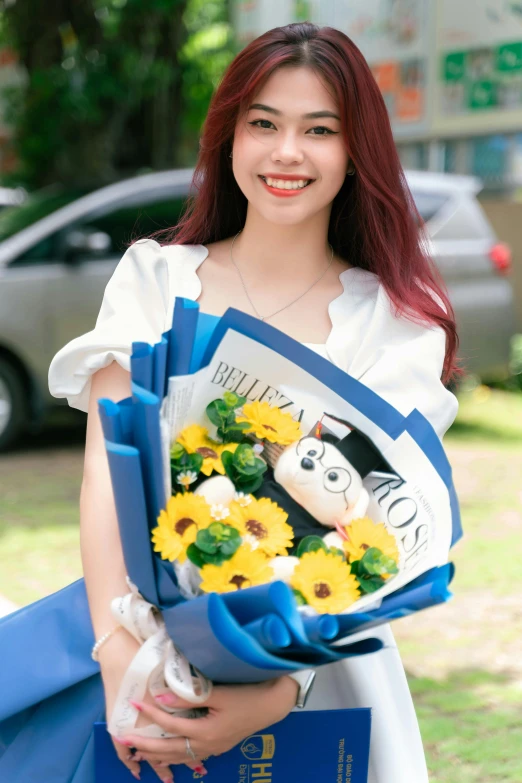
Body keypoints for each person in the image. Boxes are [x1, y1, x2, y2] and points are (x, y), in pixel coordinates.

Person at [2, 22, 460, 783]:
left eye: (320, 130)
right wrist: (120, 657)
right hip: (138, 654)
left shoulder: (394, 322)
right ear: (228, 137)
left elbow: (382, 538)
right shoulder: (154, 279)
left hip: (323, 684)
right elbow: (104, 479)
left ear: (356, 153)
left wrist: (278, 689)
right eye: (263, 124)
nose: (288, 152)